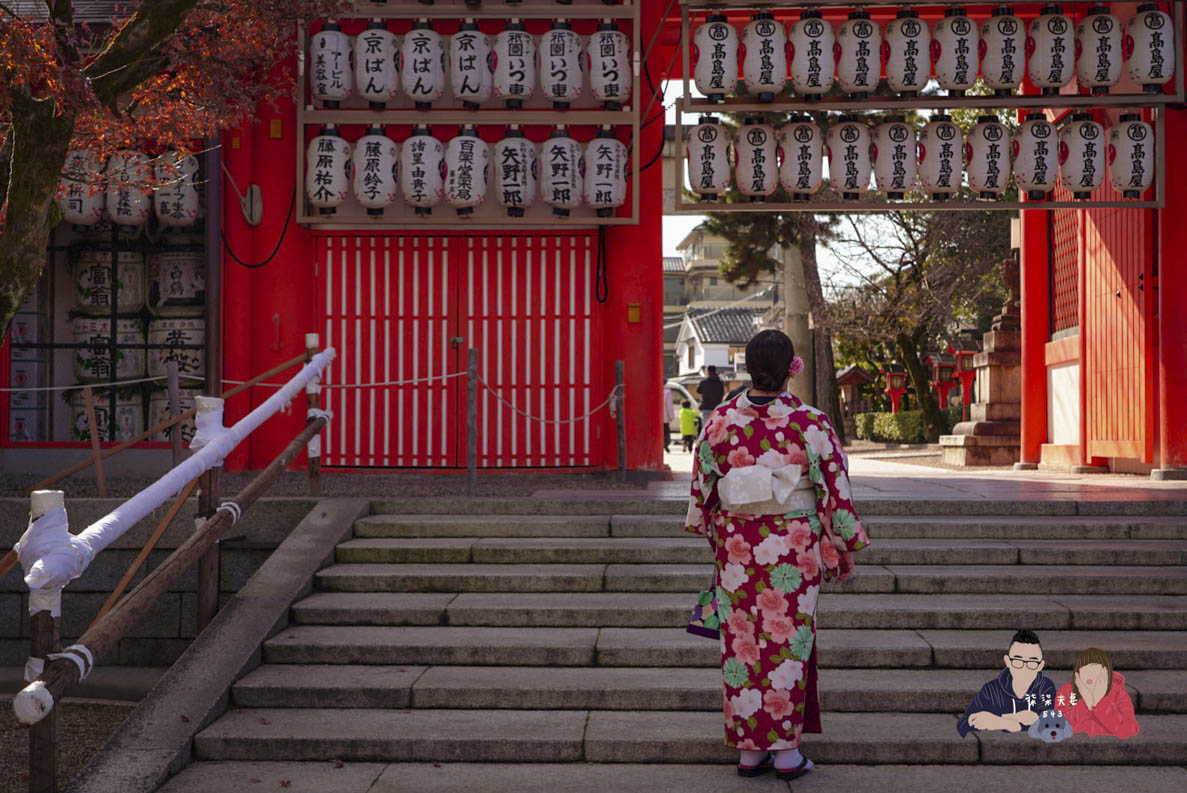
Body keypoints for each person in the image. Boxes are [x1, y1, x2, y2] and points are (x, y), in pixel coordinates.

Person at [685, 330, 870, 781]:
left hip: (737, 546)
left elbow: (703, 490)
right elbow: (835, 488)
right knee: (788, 643)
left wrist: (719, 537)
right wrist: (843, 543)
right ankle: (786, 754)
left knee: (742, 646)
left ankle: (750, 753)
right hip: (793, 548)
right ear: (792, 369)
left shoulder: (720, 421)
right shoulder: (811, 422)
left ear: (748, 368)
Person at [957, 629, 1056, 737]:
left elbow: (1049, 725)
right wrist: (1009, 723)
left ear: (1040, 666)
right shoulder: (991, 690)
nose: (1024, 668)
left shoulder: (1045, 687)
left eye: (1032, 662)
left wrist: (1001, 720)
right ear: (1008, 661)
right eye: (1018, 661)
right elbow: (963, 724)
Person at [1055, 647, 1139, 738]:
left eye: (1093, 668)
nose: (1088, 674)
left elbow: (1129, 729)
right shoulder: (1066, 691)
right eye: (1083, 668)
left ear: (1105, 672)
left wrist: (1100, 701)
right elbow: (1056, 726)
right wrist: (1085, 703)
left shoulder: (1118, 693)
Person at [662, 381, 676, 452]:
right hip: (665, 417)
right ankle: (666, 443)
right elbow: (669, 406)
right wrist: (671, 416)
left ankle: (661, 443)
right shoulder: (667, 392)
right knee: (666, 432)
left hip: (655, 418)